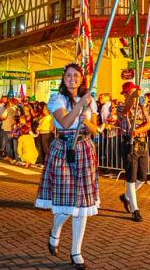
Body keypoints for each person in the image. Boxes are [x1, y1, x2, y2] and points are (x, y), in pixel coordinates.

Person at [35, 63, 98, 270]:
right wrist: (80, 106)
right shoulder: (57, 99)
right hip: (64, 150)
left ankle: (76, 251)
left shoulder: (89, 101)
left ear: (81, 79)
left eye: (76, 76)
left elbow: (95, 130)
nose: (72, 79)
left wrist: (86, 120)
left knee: (81, 206)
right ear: (64, 79)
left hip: (84, 148)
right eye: (69, 76)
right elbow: (63, 122)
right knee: (66, 202)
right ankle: (55, 231)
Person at [118, 81, 150, 222]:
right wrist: (133, 97)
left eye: (129, 92)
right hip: (129, 144)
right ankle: (135, 209)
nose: (127, 95)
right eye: (126, 93)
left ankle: (126, 196)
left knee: (142, 177)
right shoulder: (120, 107)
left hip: (142, 143)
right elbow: (125, 110)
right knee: (131, 177)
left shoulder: (142, 107)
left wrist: (138, 130)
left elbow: (149, 123)